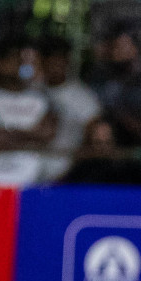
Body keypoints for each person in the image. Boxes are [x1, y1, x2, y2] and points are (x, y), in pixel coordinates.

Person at [0, 38, 55, 188]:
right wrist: (30, 135)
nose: (22, 64)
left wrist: (7, 132)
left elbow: (47, 135)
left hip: (33, 182)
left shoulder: (42, 99)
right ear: (0, 63)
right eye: (16, 58)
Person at [37, 37, 100, 182]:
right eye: (51, 60)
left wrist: (73, 171)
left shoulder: (84, 97)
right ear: (42, 61)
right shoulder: (32, 91)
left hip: (69, 175)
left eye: (61, 59)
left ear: (68, 61)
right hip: (31, 173)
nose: (56, 65)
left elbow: (93, 139)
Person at [60, 116, 141, 185]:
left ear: (115, 142)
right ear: (91, 142)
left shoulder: (130, 171)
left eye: (107, 142)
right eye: (98, 142)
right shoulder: (82, 170)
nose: (103, 148)